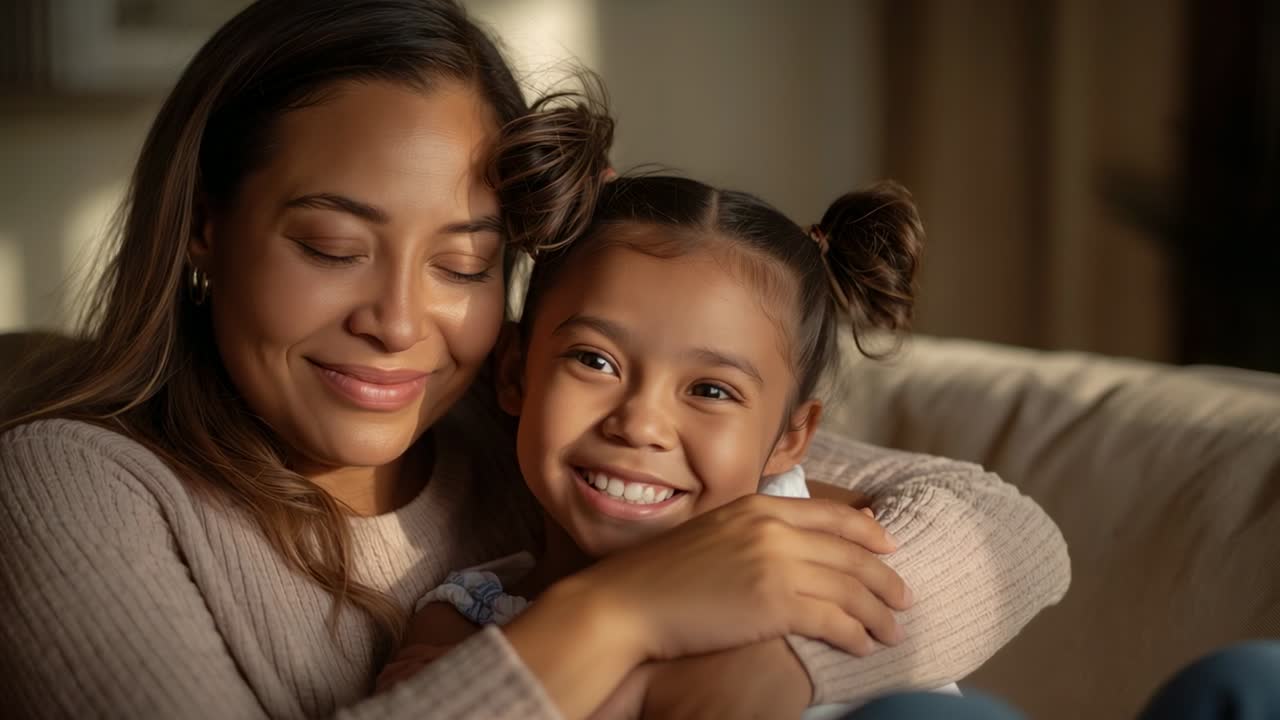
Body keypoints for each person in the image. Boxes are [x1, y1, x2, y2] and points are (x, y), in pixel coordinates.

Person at [0, 1, 1070, 718]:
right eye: (332, 248)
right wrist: (621, 615)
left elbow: (1001, 533)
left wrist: (765, 665)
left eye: (463, 266)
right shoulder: (71, 486)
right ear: (203, 227)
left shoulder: (524, 422)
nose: (399, 321)